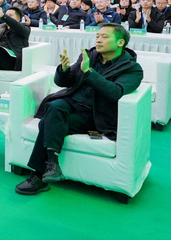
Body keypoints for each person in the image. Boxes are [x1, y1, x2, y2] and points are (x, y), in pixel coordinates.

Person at [15, 24, 143, 195]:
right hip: (71, 102)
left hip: (94, 115)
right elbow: (65, 82)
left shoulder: (132, 69)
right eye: (97, 36)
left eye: (104, 37)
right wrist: (63, 70)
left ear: (120, 42)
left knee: (47, 122)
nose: (98, 40)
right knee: (54, 105)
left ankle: (38, 175)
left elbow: (115, 92)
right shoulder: (89, 55)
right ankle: (52, 165)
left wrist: (89, 72)